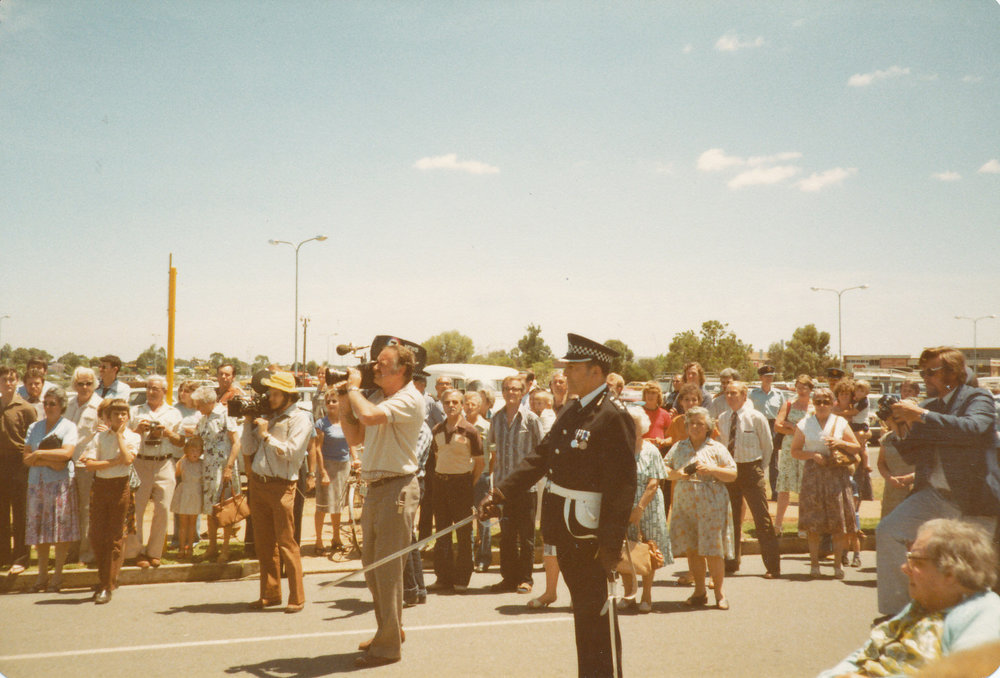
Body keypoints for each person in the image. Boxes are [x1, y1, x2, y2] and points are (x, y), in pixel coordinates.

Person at [481, 334, 636, 678]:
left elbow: (622, 488)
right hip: (567, 530)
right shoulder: (574, 410)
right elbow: (541, 456)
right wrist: (501, 493)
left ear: (596, 372)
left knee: (597, 617)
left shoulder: (613, 415)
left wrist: (611, 546)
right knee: (583, 613)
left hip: (589, 535)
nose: (565, 374)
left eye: (573, 368)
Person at [877, 347, 999, 618]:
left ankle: (974, 627)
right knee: (889, 530)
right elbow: (913, 456)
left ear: (953, 373)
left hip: (974, 500)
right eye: (922, 373)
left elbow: (972, 429)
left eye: (930, 372)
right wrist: (898, 429)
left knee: (972, 574)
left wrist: (919, 415)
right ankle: (898, 614)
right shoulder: (930, 406)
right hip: (935, 496)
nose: (924, 378)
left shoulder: (977, 397)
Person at [817, 519, 1000, 678]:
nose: (905, 568)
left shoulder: (983, 612)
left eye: (917, 562)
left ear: (950, 573)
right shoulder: (924, 605)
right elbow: (865, 654)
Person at [336, 341, 424, 668]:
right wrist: (344, 397)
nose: (375, 367)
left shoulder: (409, 397)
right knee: (373, 568)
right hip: (376, 488)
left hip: (397, 487)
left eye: (382, 364)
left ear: (402, 370)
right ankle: (390, 629)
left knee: (387, 570)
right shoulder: (378, 398)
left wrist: (353, 388)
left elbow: (369, 417)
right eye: (375, 363)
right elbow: (355, 436)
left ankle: (387, 647)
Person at [241, 371, 311, 614]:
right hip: (259, 484)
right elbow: (247, 448)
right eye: (269, 393)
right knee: (264, 543)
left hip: (282, 486)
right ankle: (270, 594)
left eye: (275, 394)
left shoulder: (300, 419)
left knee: (286, 542)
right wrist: (248, 422)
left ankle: (297, 597)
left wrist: (266, 436)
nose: (270, 398)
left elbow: (292, 452)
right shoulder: (268, 417)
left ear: (288, 396)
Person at [665, 406, 737, 610]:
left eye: (700, 423)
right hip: (686, 504)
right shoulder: (679, 447)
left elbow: (733, 474)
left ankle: (720, 593)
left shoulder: (717, 447)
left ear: (708, 427)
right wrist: (678, 474)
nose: (695, 427)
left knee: (713, 550)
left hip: (712, 504)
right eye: (691, 423)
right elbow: (664, 468)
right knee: (693, 549)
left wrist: (712, 469)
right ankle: (699, 591)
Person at [790, 387, 862, 578]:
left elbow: (856, 447)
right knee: (813, 523)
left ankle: (837, 565)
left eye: (826, 401)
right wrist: (812, 455)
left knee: (838, 521)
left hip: (836, 474)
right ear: (813, 403)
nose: (822, 405)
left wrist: (840, 443)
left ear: (832, 403)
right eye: (818, 401)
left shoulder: (840, 422)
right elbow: (794, 451)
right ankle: (814, 565)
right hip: (813, 475)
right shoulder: (804, 423)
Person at [486, 375, 544, 594]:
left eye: (516, 389)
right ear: (502, 392)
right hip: (503, 489)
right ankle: (508, 579)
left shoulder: (531, 419)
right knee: (507, 536)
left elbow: (542, 450)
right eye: (507, 389)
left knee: (526, 536)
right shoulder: (496, 419)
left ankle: (526, 579)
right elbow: (492, 451)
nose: (511, 392)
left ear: (522, 393)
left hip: (526, 488)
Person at [717, 380, 781, 577]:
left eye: (734, 393)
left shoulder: (756, 417)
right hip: (730, 471)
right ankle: (731, 562)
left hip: (751, 470)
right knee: (731, 519)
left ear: (744, 396)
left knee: (761, 519)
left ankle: (772, 567)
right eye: (727, 393)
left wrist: (759, 469)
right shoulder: (722, 418)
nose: (730, 397)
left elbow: (768, 446)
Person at [80, 398, 139, 604]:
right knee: (97, 535)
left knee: (115, 536)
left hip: (120, 487)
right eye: (116, 414)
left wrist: (120, 437)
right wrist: (113, 462)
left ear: (128, 416)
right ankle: (106, 578)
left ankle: (107, 585)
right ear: (109, 417)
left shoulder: (133, 437)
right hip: (100, 486)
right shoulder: (99, 437)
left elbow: (128, 459)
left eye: (123, 414)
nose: (120, 417)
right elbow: (90, 465)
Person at [23, 387, 79, 592]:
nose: (47, 407)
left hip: (60, 485)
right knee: (40, 532)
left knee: (60, 532)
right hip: (36, 484)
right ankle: (41, 576)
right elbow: (26, 458)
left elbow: (66, 454)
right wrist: (49, 460)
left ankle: (57, 576)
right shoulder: (34, 427)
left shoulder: (68, 427)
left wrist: (39, 455)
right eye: (45, 403)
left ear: (62, 405)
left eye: (52, 403)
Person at [428, 388, 483, 592]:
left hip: (462, 485)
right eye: (447, 402)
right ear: (442, 405)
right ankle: (443, 578)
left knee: (463, 533)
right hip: (441, 484)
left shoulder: (470, 431)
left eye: (455, 402)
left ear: (462, 405)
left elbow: (480, 463)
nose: (451, 406)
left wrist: (468, 483)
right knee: (442, 532)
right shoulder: (437, 430)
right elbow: (437, 456)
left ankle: (462, 578)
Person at [127, 375, 183, 568]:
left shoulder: (174, 413)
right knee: (137, 509)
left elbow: (181, 441)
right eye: (148, 388)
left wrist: (167, 433)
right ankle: (136, 552)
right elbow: (125, 438)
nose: (150, 392)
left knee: (163, 508)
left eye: (155, 389)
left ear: (164, 392)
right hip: (141, 462)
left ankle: (154, 552)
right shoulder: (135, 411)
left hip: (164, 463)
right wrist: (138, 430)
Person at [619, 407, 671, 613]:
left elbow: (653, 483)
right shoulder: (617, 450)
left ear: (642, 427)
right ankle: (629, 594)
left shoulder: (651, 450)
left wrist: (639, 508)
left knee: (647, 549)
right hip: (622, 507)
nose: (629, 428)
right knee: (625, 549)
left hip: (648, 507)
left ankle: (646, 595)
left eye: (634, 424)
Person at [191, 385, 241, 562]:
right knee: (210, 509)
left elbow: (236, 443)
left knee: (225, 508)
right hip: (208, 469)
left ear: (209, 402)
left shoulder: (225, 414)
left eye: (199, 404)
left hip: (223, 468)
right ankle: (212, 546)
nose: (197, 407)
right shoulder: (203, 418)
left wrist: (229, 467)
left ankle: (225, 548)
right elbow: (197, 439)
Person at [311, 390, 357, 556]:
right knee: (323, 505)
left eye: (334, 401)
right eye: (328, 401)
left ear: (340, 404)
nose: (330, 404)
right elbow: (317, 449)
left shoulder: (346, 422)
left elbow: (351, 443)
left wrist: (356, 459)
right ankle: (318, 540)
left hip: (343, 467)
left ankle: (336, 538)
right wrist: (322, 472)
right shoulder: (321, 424)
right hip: (327, 466)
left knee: (338, 505)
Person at [0, 365, 38, 573]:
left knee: (21, 512)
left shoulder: (26, 408)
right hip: (0, 464)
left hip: (19, 465)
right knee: (1, 512)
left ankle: (21, 557)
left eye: (12, 379)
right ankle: (3, 555)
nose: (8, 383)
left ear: (17, 382)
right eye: (4, 379)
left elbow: (34, 439)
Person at [65, 366, 101, 565]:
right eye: (81, 383)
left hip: (86, 465)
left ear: (94, 384)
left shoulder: (100, 406)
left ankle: (86, 553)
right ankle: (71, 550)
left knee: (86, 510)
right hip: (66, 463)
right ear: (75, 385)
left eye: (89, 383)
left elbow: (103, 436)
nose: (85, 387)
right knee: (70, 509)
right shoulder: (69, 404)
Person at [773, 375, 814, 535]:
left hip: (806, 448)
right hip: (789, 448)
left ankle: (803, 525)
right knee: (784, 487)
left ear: (811, 389)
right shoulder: (789, 404)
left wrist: (795, 429)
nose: (801, 390)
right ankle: (778, 525)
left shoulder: (814, 407)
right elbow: (778, 425)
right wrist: (792, 427)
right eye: (798, 387)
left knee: (805, 487)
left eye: (804, 387)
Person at [463, 391, 494, 573]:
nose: (469, 407)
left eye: (473, 404)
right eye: (466, 403)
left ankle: (484, 557)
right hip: (463, 475)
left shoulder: (487, 427)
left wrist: (489, 476)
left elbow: (493, 456)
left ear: (480, 405)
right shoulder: (460, 425)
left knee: (484, 519)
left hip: (482, 476)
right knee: (465, 519)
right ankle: (468, 558)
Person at [749, 365, 785, 499]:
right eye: (766, 376)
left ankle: (775, 491)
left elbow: (783, 412)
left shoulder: (778, 394)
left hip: (773, 425)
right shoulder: (753, 394)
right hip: (757, 425)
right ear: (760, 378)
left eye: (771, 376)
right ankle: (756, 489)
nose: (769, 379)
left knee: (773, 460)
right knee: (756, 457)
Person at [876, 399, 916, 519]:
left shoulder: (918, 438)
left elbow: (930, 464)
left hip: (914, 488)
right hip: (892, 490)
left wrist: (911, 477)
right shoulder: (887, 439)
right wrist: (889, 478)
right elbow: (881, 463)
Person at [171, 436, 204, 560]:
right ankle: (181, 548)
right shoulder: (183, 462)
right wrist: (183, 457)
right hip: (184, 492)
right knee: (183, 524)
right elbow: (176, 473)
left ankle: (190, 548)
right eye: (192, 450)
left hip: (195, 493)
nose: (195, 453)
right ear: (186, 451)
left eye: (198, 450)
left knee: (192, 524)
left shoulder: (202, 464)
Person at [640, 381, 672, 454]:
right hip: (641, 451)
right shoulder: (638, 412)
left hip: (659, 452)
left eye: (653, 393)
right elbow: (630, 436)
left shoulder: (665, 414)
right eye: (648, 392)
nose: (650, 396)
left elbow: (671, 437)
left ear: (658, 395)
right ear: (644, 394)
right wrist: (642, 441)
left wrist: (663, 441)